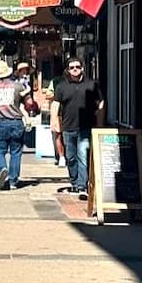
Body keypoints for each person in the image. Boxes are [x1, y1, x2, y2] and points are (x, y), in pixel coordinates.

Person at [51, 58, 104, 199]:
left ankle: (82, 185)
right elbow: (56, 104)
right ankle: (74, 182)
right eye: (72, 67)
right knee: (71, 157)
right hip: (68, 127)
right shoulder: (61, 87)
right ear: (67, 70)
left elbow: (101, 102)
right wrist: (54, 121)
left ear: (82, 68)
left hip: (86, 126)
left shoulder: (91, 84)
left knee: (83, 156)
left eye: (77, 67)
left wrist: (99, 120)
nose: (75, 69)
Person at [0, 60, 32, 190]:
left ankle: (2, 168)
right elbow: (29, 103)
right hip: (16, 122)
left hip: (1, 122)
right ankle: (13, 180)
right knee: (16, 152)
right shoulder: (18, 86)